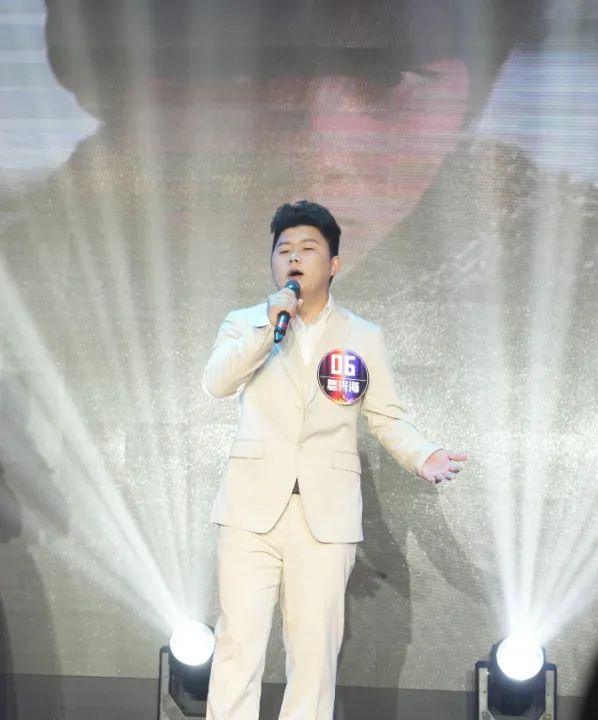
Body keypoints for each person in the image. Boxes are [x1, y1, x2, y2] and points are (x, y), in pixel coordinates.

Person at [201, 200, 466, 720]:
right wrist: (266, 328)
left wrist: (423, 454)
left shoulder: (363, 336)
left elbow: (387, 416)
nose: (293, 258)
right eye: (284, 250)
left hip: (326, 517)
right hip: (249, 511)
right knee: (237, 646)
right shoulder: (246, 324)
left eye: (307, 248)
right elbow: (217, 383)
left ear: (334, 263)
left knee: (314, 656)